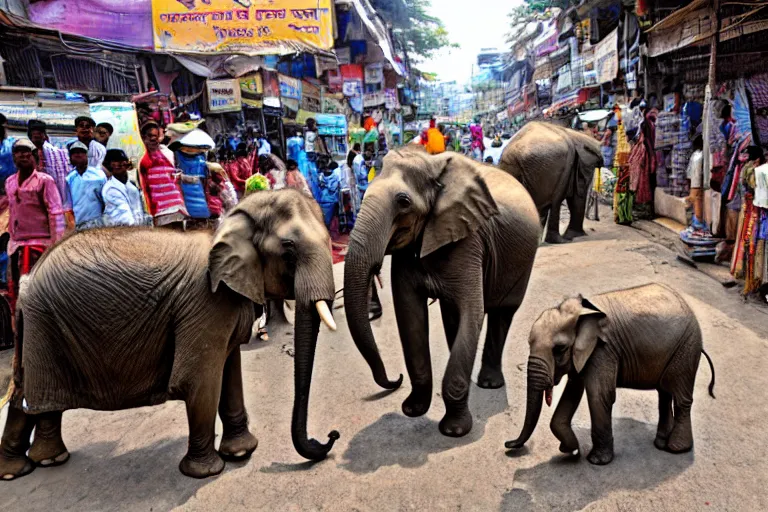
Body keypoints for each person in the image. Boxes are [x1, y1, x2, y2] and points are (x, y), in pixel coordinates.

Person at [5, 139, 64, 311]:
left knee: (39, 290)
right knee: (16, 290)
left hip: (40, 243)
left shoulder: (45, 181)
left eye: (26, 152)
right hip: (16, 244)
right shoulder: (10, 182)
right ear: (13, 157)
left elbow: (56, 213)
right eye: (18, 152)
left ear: (34, 156)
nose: (22, 155)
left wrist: (56, 246)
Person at [26, 120, 74, 230]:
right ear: (30, 136)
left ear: (45, 136)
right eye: (34, 133)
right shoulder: (23, 155)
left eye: (40, 133)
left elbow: (64, 180)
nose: (37, 135)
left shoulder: (58, 154)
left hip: (54, 200)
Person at [138, 122, 187, 227]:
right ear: (143, 137)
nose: (153, 139)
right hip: (161, 212)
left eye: (155, 136)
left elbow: (176, 177)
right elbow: (145, 189)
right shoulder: (143, 161)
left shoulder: (168, 153)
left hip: (177, 207)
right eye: (150, 136)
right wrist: (152, 213)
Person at [66, 141, 107, 230]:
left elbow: (106, 201)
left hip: (97, 224)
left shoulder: (99, 175)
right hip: (78, 225)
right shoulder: (69, 178)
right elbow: (69, 205)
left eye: (81, 152)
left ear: (86, 155)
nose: (78, 155)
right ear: (71, 157)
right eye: (75, 153)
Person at [102, 149, 148, 227]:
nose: (120, 164)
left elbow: (140, 211)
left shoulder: (132, 186)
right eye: (116, 161)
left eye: (123, 161)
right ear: (109, 165)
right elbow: (124, 218)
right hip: (123, 231)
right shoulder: (111, 189)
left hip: (139, 229)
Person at [317, 160, 340, 229]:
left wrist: (325, 185)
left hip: (330, 201)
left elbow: (333, 188)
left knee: (330, 220)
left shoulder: (334, 176)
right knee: (326, 220)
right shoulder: (321, 177)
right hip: (324, 201)